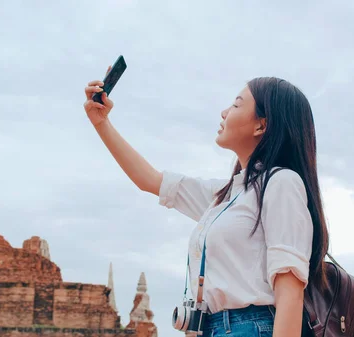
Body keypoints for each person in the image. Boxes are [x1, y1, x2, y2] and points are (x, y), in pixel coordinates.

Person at [84, 74, 329, 337]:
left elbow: (290, 292)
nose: (224, 112)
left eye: (236, 105)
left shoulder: (282, 183)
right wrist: (101, 123)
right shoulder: (227, 194)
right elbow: (150, 180)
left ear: (261, 125)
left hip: (252, 328)